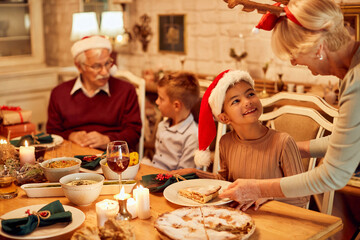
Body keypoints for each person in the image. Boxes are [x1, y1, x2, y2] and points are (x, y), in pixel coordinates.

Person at [220, 0, 360, 205]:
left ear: (318, 48)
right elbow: (346, 142)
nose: (293, 62)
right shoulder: (349, 70)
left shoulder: (356, 81)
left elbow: (333, 175)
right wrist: (292, 147)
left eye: (293, 53)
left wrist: (257, 188)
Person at [172, 70, 309, 210]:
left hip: (275, 222)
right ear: (224, 118)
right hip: (238, 218)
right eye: (236, 101)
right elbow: (226, 183)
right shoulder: (226, 142)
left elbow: (302, 196)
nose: (248, 102)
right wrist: (195, 173)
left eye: (250, 94)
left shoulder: (283, 142)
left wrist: (269, 194)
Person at [46, 36, 142, 150]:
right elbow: (52, 133)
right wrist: (70, 136)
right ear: (79, 66)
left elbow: (134, 133)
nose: (105, 72)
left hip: (112, 156)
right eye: (96, 66)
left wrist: (107, 140)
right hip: (71, 156)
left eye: (107, 63)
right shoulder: (59, 93)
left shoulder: (126, 90)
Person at [150, 71, 200, 171]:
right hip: (153, 173)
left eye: (161, 99)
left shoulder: (193, 135)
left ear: (176, 105)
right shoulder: (162, 126)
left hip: (172, 182)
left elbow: (184, 174)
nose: (157, 102)